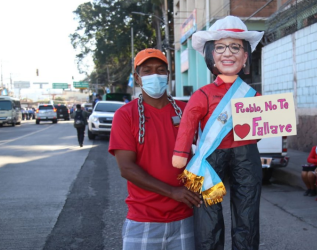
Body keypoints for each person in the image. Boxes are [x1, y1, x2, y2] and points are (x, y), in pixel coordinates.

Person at [172, 16, 264, 250]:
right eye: (221, 47)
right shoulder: (202, 94)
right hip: (210, 160)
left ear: (245, 57)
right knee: (207, 214)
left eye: (236, 47)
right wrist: (181, 152)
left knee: (248, 211)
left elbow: (261, 127)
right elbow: (188, 123)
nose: (228, 53)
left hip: (246, 155)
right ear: (210, 54)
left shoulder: (251, 95)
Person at [108, 48, 202, 250]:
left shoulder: (187, 110)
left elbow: (203, 152)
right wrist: (172, 192)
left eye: (160, 70)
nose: (155, 76)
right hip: (143, 220)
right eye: (147, 71)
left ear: (168, 75)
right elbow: (126, 168)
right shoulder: (125, 115)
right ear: (137, 77)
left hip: (185, 217)